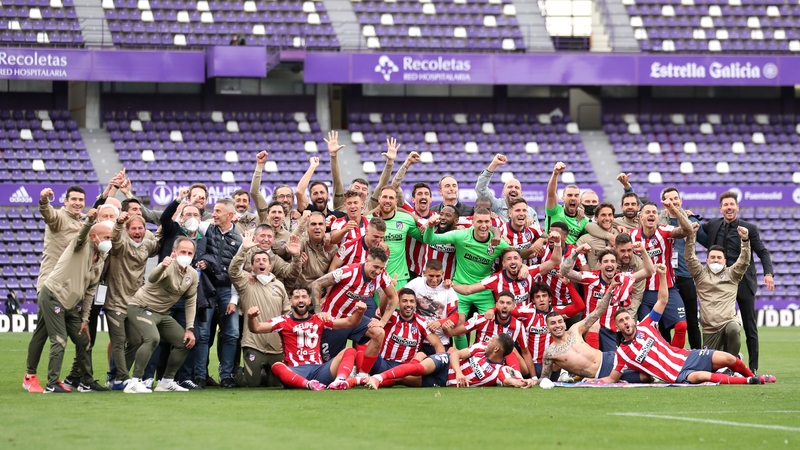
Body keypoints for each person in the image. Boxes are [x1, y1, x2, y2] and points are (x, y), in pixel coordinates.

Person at [599, 264, 776, 385]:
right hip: (675, 375)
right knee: (703, 376)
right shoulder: (622, 353)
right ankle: (750, 381)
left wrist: (662, 275)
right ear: (618, 328)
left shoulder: (646, 325)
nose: (625, 322)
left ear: (632, 320)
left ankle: (752, 375)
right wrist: (592, 381)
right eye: (621, 321)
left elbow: (662, 300)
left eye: (627, 318)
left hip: (687, 356)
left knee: (729, 359)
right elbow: (612, 379)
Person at [33, 209, 109, 393]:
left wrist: (85, 319)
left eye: (111, 238)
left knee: (84, 340)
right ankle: (52, 384)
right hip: (53, 295)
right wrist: (89, 221)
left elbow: (90, 292)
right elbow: (82, 235)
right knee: (59, 340)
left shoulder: (101, 259)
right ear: (94, 237)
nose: (110, 241)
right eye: (106, 237)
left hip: (71, 304)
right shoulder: (80, 244)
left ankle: (86, 382)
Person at [698, 191, 773, 373]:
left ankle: (753, 368)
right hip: (720, 285)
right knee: (720, 324)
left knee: (750, 326)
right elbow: (697, 228)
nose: (729, 207)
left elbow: (763, 252)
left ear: (737, 207)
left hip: (743, 283)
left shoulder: (749, 228)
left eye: (732, 204)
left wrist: (768, 273)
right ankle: (725, 361)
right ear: (721, 209)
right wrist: (689, 215)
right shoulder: (713, 224)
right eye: (726, 205)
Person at [23, 185, 86, 393]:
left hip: (65, 289)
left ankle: (32, 376)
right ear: (65, 201)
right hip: (50, 286)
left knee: (42, 330)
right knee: (44, 333)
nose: (77, 203)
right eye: (73, 199)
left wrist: (111, 190)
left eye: (81, 199)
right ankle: (31, 376)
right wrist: (43, 201)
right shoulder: (59, 217)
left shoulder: (81, 222)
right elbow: (48, 213)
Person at [245, 286, 365, 390]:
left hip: (319, 371)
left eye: (304, 297)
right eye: (296, 297)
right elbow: (256, 328)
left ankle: (340, 381)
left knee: (350, 351)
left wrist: (359, 312)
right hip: (295, 371)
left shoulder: (319, 319)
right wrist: (251, 318)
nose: (301, 300)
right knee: (277, 366)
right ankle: (308, 384)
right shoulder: (283, 321)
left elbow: (350, 322)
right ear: (290, 301)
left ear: (309, 300)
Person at [422, 207, 509, 349]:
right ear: (473, 222)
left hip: (483, 291)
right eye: (479, 221)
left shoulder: (498, 243)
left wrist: (523, 266)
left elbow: (516, 256)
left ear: (491, 223)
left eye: (486, 222)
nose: (483, 225)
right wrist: (430, 227)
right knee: (457, 326)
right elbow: (430, 239)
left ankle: (482, 356)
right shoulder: (461, 235)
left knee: (492, 325)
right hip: (460, 289)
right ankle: (464, 357)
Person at [536, 277, 650, 384]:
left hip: (610, 357)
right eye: (553, 323)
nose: (557, 325)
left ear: (565, 324)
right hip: (602, 373)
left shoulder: (575, 329)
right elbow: (544, 378)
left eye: (560, 322)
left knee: (648, 367)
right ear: (547, 328)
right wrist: (533, 380)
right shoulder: (550, 352)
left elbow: (597, 312)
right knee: (645, 377)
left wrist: (610, 289)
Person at [125, 237, 199, 393]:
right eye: (183, 252)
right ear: (174, 252)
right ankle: (134, 381)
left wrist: (190, 328)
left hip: (162, 313)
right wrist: (162, 266)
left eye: (189, 253)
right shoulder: (167, 265)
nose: (186, 255)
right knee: (153, 339)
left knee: (184, 342)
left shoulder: (192, 274)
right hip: (140, 307)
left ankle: (166, 382)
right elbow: (152, 278)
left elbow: (191, 302)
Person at [310, 247, 395, 370]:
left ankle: (362, 374)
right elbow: (316, 284)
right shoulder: (348, 271)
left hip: (354, 320)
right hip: (334, 321)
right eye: (376, 267)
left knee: (379, 332)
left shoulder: (382, 276)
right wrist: (318, 312)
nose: (378, 271)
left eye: (381, 268)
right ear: (367, 260)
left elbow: (394, 297)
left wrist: (383, 321)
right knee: (327, 366)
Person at [561, 243, 654, 352]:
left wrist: (643, 251)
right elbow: (565, 271)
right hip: (589, 327)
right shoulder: (591, 278)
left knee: (611, 359)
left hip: (610, 330)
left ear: (616, 264)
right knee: (590, 357)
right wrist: (577, 251)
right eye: (605, 261)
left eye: (612, 261)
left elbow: (649, 270)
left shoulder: (622, 279)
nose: (609, 264)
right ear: (600, 265)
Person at [104, 212, 159, 390]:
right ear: (127, 230)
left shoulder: (146, 245)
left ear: (145, 230)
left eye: (140, 228)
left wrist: (168, 223)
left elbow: (159, 243)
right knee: (118, 341)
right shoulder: (120, 244)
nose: (137, 231)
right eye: (133, 228)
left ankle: (116, 377)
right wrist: (119, 223)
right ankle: (121, 378)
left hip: (134, 303)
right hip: (115, 301)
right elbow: (115, 240)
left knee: (136, 340)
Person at [348, 288, 445, 387]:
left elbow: (438, 345)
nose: (408, 304)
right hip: (382, 364)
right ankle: (361, 375)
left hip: (405, 369)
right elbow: (383, 308)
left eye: (411, 301)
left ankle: (369, 380)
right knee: (362, 345)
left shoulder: (422, 323)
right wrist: (388, 289)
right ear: (398, 303)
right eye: (404, 301)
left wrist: (440, 366)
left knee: (420, 359)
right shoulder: (391, 316)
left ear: (416, 304)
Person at [629, 200, 693, 348]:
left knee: (681, 326)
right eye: (647, 212)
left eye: (654, 212)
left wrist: (675, 211)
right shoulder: (631, 236)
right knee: (648, 333)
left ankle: (675, 358)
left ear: (658, 217)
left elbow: (688, 230)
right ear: (640, 217)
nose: (651, 214)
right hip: (643, 293)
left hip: (668, 289)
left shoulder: (665, 231)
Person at [364, 334, 535, 389]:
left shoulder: (499, 371)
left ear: (497, 349)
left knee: (402, 380)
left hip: (444, 381)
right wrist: (459, 372)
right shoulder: (481, 347)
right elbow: (456, 354)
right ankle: (378, 377)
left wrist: (525, 382)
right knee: (418, 369)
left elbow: (511, 381)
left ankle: (364, 380)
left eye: (492, 341)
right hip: (446, 363)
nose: (488, 341)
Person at [229, 238, 290, 388]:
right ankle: (235, 373)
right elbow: (233, 270)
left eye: (264, 260)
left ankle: (264, 374)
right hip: (253, 344)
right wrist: (244, 249)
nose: (261, 262)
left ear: (270, 265)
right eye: (257, 260)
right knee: (252, 383)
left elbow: (287, 313)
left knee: (277, 385)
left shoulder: (279, 285)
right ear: (252, 266)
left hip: (276, 346)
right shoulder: (246, 283)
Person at [196, 198, 243, 388]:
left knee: (232, 333)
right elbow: (185, 223)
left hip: (227, 290)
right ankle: (199, 376)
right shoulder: (205, 228)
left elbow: (239, 273)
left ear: (230, 215)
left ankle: (226, 376)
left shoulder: (240, 240)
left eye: (217, 211)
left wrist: (234, 299)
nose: (213, 214)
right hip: (206, 288)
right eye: (213, 210)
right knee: (203, 333)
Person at [686, 223, 750, 356]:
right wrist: (691, 236)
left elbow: (744, 261)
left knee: (733, 328)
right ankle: (730, 357)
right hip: (709, 329)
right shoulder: (700, 274)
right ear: (707, 260)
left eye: (719, 258)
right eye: (713, 257)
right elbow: (689, 257)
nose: (716, 260)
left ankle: (733, 361)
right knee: (711, 365)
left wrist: (745, 241)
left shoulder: (732, 274)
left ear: (724, 261)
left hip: (728, 322)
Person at [452, 237, 562, 306]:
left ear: (521, 261)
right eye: (509, 259)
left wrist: (558, 243)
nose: (513, 261)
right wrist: (450, 284)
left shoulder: (530, 272)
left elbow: (555, 261)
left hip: (527, 323)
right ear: (503, 263)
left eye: (516, 258)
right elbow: (468, 290)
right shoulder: (496, 279)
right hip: (506, 324)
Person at [446, 291, 534, 377]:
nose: (504, 306)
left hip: (502, 365)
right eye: (502, 302)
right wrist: (446, 326)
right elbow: (453, 332)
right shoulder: (483, 319)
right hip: (479, 360)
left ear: (513, 307)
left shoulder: (518, 326)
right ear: (496, 305)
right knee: (451, 350)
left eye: (508, 303)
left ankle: (516, 376)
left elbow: (525, 353)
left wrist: (534, 377)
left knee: (511, 349)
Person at [659, 187, 704, 349]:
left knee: (692, 322)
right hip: (665, 279)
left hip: (685, 276)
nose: (673, 202)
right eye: (669, 200)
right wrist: (627, 187)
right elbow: (640, 210)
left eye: (675, 199)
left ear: (681, 200)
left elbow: (707, 240)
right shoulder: (658, 221)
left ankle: (698, 355)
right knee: (664, 324)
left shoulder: (690, 221)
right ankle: (666, 358)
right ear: (664, 203)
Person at [514, 282, 584, 379]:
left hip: (552, 365)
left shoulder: (557, 312)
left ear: (550, 298)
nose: (541, 299)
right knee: (510, 345)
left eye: (544, 296)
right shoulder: (526, 311)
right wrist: (493, 310)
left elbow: (580, 306)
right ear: (533, 300)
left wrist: (568, 283)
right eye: (537, 297)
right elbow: (506, 310)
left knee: (572, 337)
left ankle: (563, 373)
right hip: (531, 365)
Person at [369, 184, 423, 289]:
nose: (387, 200)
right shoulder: (368, 219)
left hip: (399, 278)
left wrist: (426, 227)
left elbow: (425, 239)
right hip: (374, 277)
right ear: (379, 199)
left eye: (391, 198)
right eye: (384, 197)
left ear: (396, 201)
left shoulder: (406, 219)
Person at [404, 260, 460, 354]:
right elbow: (398, 297)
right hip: (416, 339)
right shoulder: (417, 282)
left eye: (438, 276)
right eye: (431, 276)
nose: (434, 280)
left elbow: (455, 316)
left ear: (442, 274)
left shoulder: (448, 290)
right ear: (424, 273)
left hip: (440, 340)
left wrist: (440, 323)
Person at [476, 153, 540, 223]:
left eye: (517, 187)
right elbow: (481, 189)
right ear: (503, 192)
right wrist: (494, 164)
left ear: (521, 193)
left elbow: (537, 230)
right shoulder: (496, 205)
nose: (513, 189)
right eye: (510, 187)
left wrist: (531, 224)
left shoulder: (530, 212)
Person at [325, 130, 371, 208]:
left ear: (367, 195)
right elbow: (336, 180)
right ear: (348, 191)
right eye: (356, 188)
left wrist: (390, 162)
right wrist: (333, 155)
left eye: (364, 189)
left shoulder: (371, 210)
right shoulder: (341, 204)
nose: (360, 191)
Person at [293, 211, 338, 288]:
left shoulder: (332, 246)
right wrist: (302, 222)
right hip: (303, 290)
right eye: (313, 224)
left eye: (320, 224)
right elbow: (290, 246)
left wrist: (327, 295)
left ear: (325, 227)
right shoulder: (303, 240)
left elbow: (333, 275)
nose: (317, 227)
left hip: (322, 290)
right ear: (307, 227)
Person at [545, 161, 587, 244]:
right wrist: (555, 174)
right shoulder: (555, 211)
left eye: (576, 195)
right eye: (569, 195)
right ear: (563, 199)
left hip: (571, 251)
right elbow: (551, 193)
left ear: (580, 199)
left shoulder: (583, 220)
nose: (573, 198)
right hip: (551, 249)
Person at [420, 205, 459, 280]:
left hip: (447, 282)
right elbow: (413, 215)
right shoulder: (430, 227)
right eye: (441, 214)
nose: (443, 217)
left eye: (448, 215)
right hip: (425, 280)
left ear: (456, 220)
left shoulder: (459, 235)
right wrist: (427, 224)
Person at [576, 202, 617, 269]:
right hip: (593, 274)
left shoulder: (620, 235)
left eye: (610, 215)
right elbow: (574, 257)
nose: (607, 218)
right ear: (596, 218)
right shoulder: (585, 239)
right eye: (603, 215)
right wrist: (586, 272)